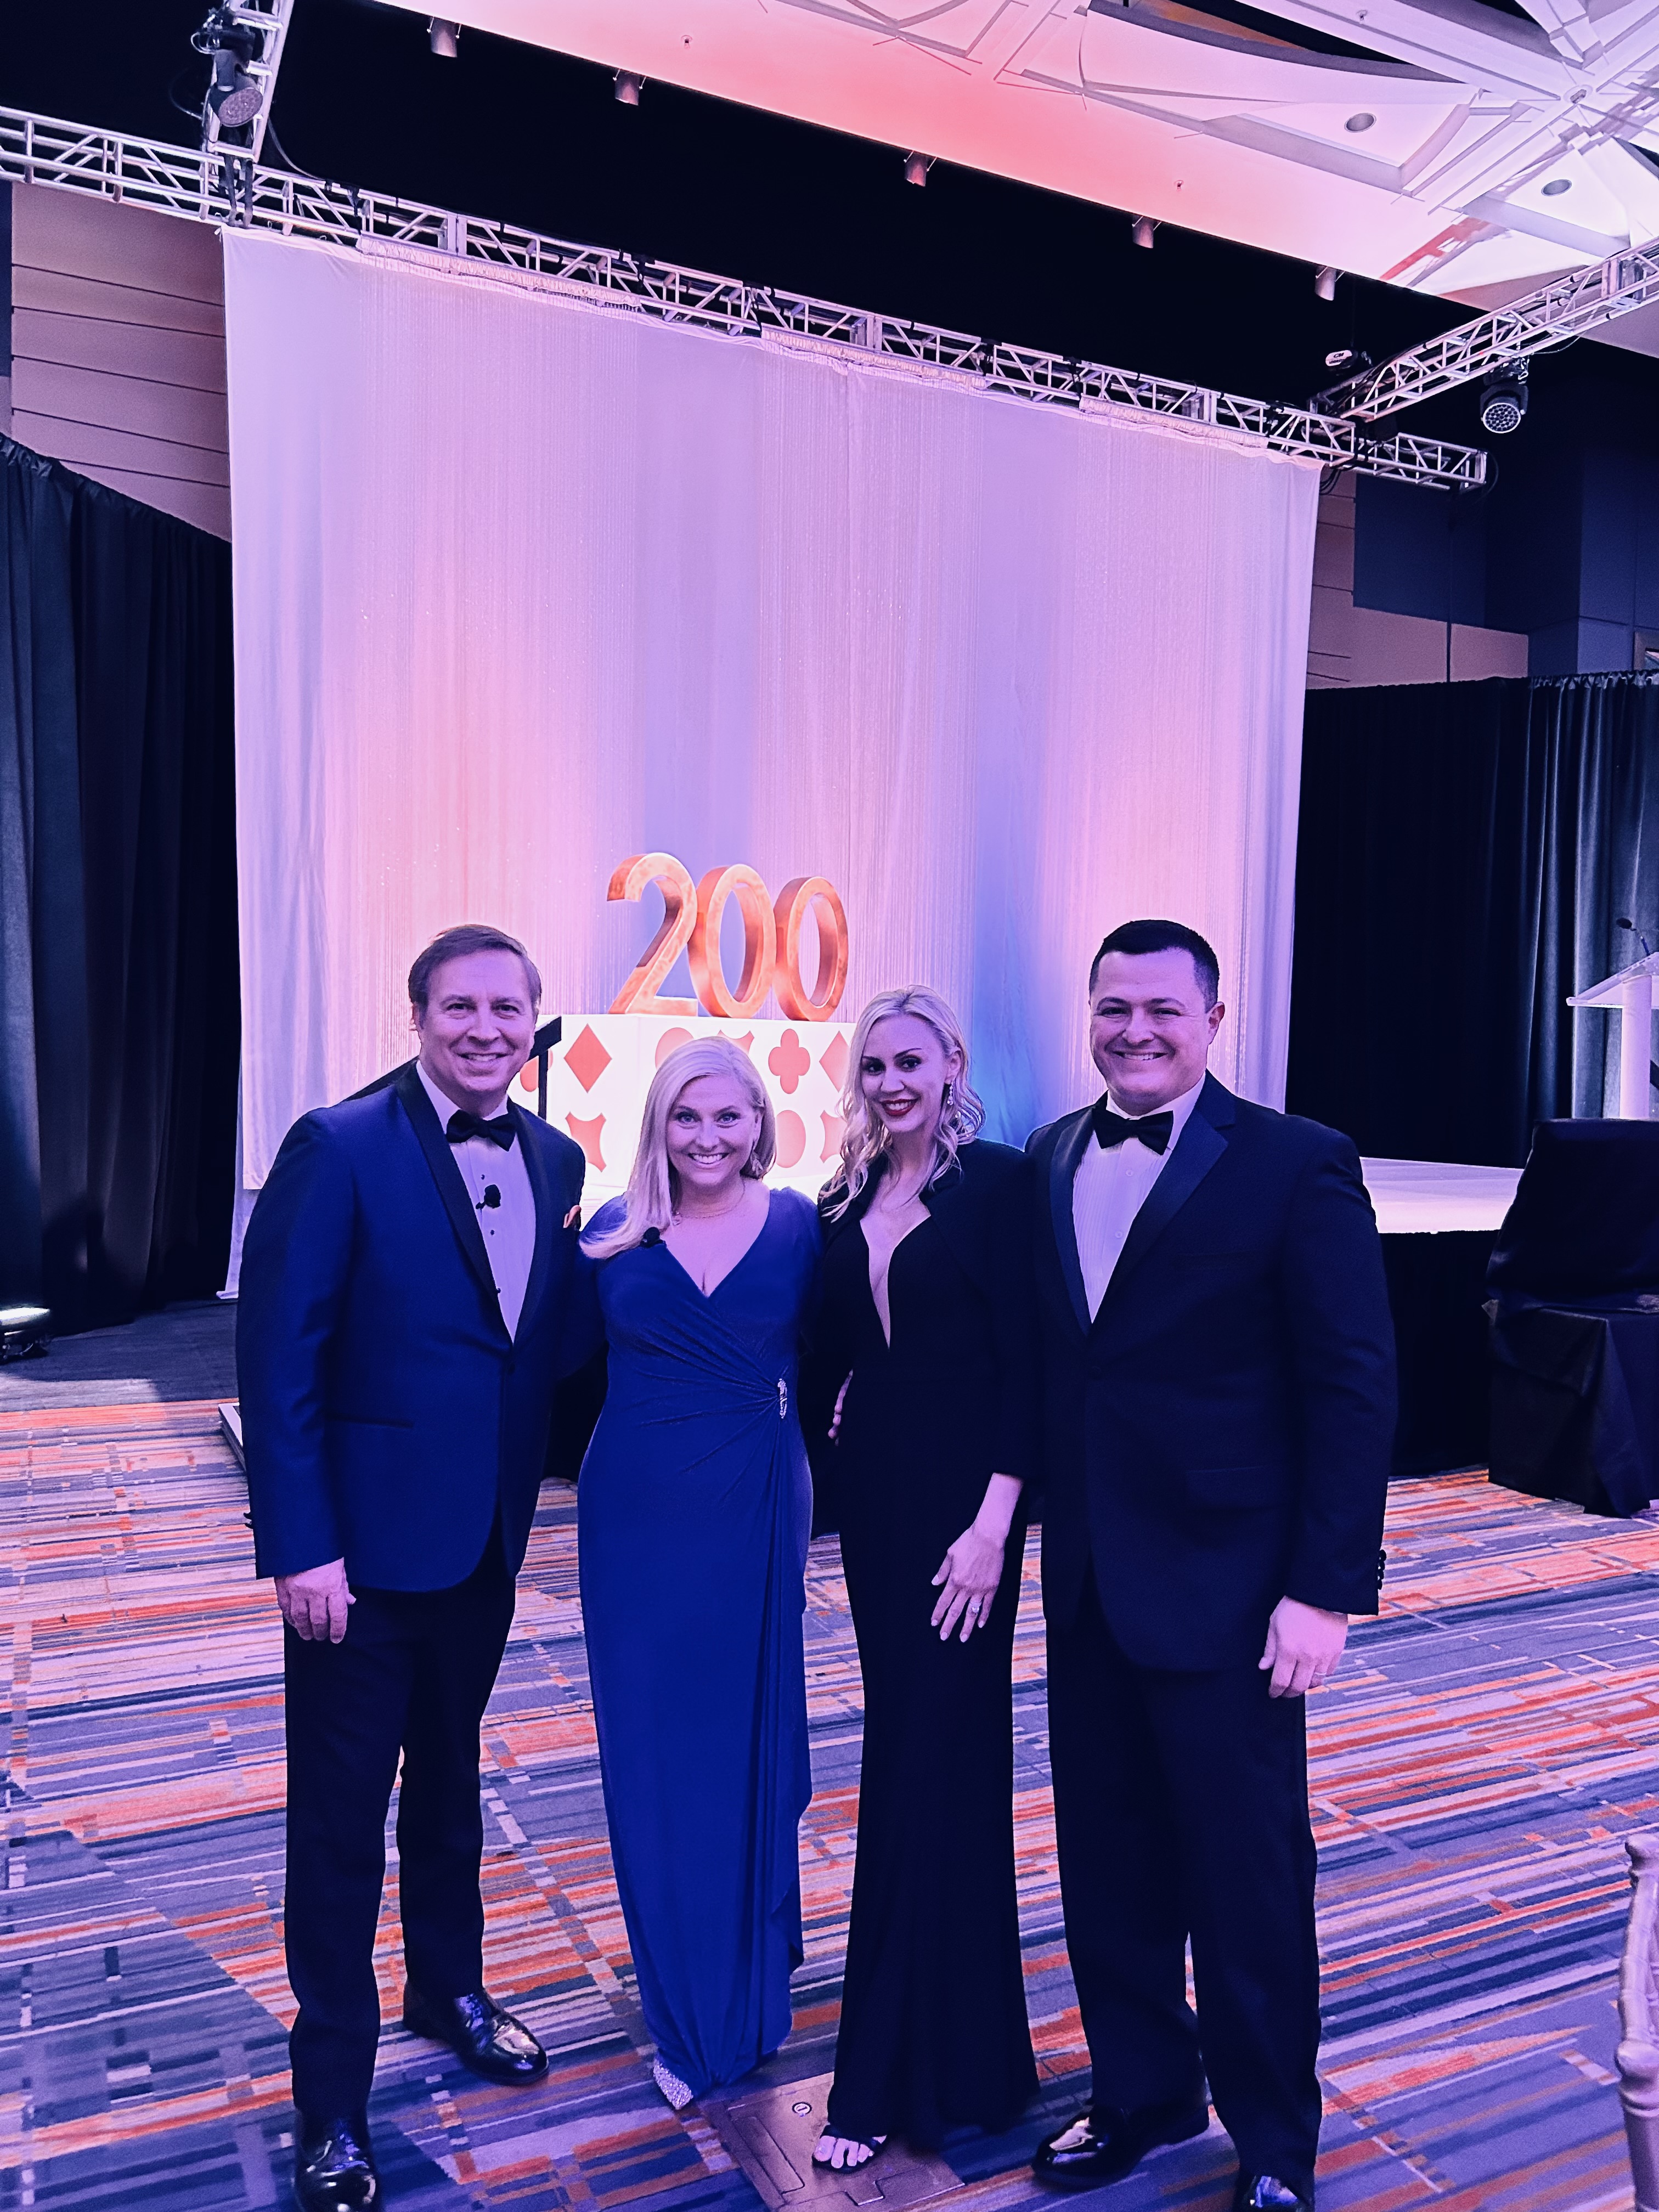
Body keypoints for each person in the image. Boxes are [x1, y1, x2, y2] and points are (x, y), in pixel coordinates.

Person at [1025, 919, 1396, 2212]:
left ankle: (1276, 2143)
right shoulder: (1051, 1153)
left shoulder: (1297, 1161)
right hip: (1090, 1580)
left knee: (1247, 1881)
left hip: (1237, 1591)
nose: (1134, 1032)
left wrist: (1325, 1587)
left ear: (1214, 1021)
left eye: (1162, 1011)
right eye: (1112, 1008)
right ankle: (1143, 2091)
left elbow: (1353, 1384)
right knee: (1107, 1861)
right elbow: (1061, 1362)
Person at [238, 923, 595, 2212]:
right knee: (339, 1825)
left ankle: (450, 1989)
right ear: (419, 1016)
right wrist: (302, 1546)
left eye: (507, 1009)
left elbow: (543, 1343)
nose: (486, 1029)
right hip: (359, 1562)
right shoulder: (337, 1145)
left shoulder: (556, 1156)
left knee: (450, 1788)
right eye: (461, 1007)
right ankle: (332, 2098)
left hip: (485, 1542)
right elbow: (278, 1359)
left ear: (533, 1022)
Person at [810, 986, 1038, 2170]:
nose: (893, 1083)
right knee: (910, 1751)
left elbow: (1032, 1365)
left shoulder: (1000, 1185)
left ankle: (885, 2077)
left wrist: (997, 1523)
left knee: (930, 1760)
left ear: (953, 1061)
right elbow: (833, 1343)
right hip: (879, 1502)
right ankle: (975, 2062)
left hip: (967, 1513)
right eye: (875, 1066)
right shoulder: (846, 1195)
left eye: (913, 1061)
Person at [578, 1037, 821, 2111]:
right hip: (635, 1517)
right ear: (658, 1125)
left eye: (729, 1116)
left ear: (761, 1122)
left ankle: (749, 1993)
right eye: (687, 1116)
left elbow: (866, 1346)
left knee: (743, 1745)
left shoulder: (804, 1225)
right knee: (654, 1755)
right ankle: (684, 2011)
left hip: (755, 1508)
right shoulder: (609, 1231)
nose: (708, 1137)